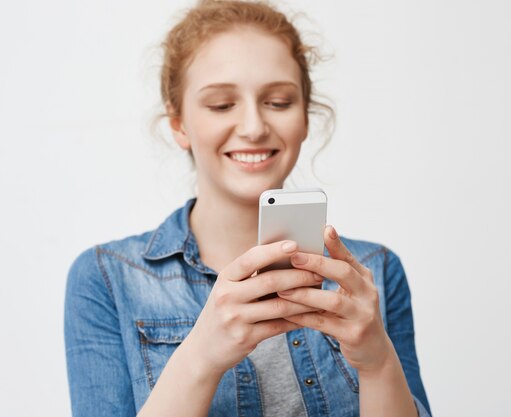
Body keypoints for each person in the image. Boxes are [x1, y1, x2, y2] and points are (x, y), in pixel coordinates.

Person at [64, 1, 432, 416]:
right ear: (179, 123)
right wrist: (200, 356)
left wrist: (378, 363)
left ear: (305, 119)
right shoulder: (107, 279)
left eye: (278, 101)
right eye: (221, 105)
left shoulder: (374, 272)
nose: (254, 127)